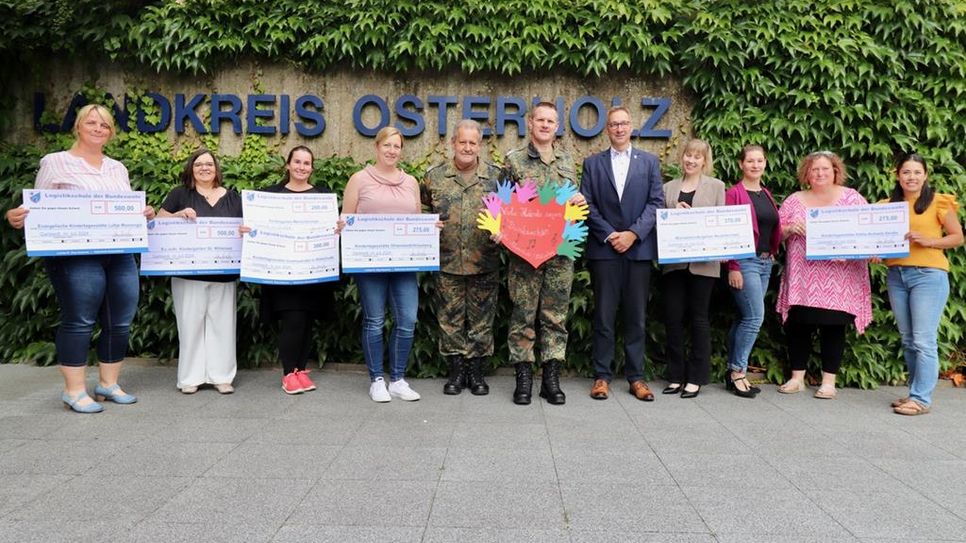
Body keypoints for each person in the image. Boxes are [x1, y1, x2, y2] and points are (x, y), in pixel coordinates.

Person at [4, 104, 155, 413]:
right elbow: (38, 208)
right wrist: (16, 216)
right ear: (78, 127)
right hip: (75, 256)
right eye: (92, 123)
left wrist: (144, 213)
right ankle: (73, 391)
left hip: (120, 252)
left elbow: (123, 206)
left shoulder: (117, 168)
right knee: (80, 319)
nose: (99, 129)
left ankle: (108, 384)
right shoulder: (56, 163)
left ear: (111, 132)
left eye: (105, 125)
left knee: (120, 320)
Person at [579, 106, 664, 402]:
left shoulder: (650, 162)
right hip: (605, 249)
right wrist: (611, 234)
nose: (619, 128)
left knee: (636, 317)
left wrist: (632, 234)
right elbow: (587, 204)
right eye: (614, 124)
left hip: (638, 250)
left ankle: (636, 377)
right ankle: (601, 376)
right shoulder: (593, 163)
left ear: (631, 127)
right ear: (607, 129)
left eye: (624, 123)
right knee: (603, 315)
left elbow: (656, 203)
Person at [776, 151, 872, 399]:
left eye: (825, 169)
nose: (819, 173)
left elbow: (868, 229)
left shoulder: (852, 198)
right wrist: (788, 229)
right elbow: (775, 234)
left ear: (835, 172)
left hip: (839, 278)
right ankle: (797, 378)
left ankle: (829, 382)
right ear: (806, 173)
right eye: (814, 169)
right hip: (803, 277)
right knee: (798, 326)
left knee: (834, 328)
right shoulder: (794, 200)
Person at [503, 101, 581, 405]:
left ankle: (551, 378)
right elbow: (501, 204)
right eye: (540, 120)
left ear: (557, 126)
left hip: (560, 252)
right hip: (525, 254)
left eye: (551, 121)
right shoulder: (514, 161)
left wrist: (579, 204)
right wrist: (500, 230)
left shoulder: (568, 160)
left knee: (555, 316)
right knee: (522, 314)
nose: (545, 125)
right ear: (530, 123)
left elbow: (572, 203)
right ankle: (523, 379)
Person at [342, 127, 423, 403]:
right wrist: (342, 225)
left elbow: (417, 222)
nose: (391, 150)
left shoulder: (411, 182)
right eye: (387, 145)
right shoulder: (359, 179)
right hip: (370, 264)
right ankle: (377, 379)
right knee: (375, 320)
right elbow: (346, 219)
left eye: (397, 146)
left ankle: (398, 379)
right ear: (377, 147)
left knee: (407, 320)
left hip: (403, 265)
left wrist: (429, 229)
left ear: (402, 150)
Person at [421, 120, 501, 396]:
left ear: (480, 145)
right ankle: (456, 371)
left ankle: (476, 372)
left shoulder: (497, 177)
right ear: (453, 143)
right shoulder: (435, 176)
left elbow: (514, 213)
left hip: (484, 261)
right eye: (462, 142)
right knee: (450, 319)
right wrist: (425, 223)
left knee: (482, 320)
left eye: (473, 143)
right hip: (448, 261)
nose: (467, 147)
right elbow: (420, 209)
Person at [250, 145, 337, 395]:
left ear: (312, 168)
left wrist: (337, 229)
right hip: (282, 273)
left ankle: (299, 370)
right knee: (293, 321)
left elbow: (329, 230)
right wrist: (250, 230)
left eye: (306, 163)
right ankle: (288, 373)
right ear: (287, 165)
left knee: (307, 322)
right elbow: (257, 228)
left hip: (312, 272)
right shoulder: (269, 196)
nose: (301, 167)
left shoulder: (322, 197)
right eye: (297, 162)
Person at [883, 153, 962, 415]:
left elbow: (956, 238)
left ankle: (921, 399)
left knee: (923, 339)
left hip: (929, 275)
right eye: (906, 172)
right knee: (908, 339)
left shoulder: (939, 202)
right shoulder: (887, 205)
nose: (911, 177)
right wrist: (873, 251)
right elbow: (878, 243)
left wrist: (929, 241)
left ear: (925, 175)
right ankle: (914, 394)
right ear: (898, 176)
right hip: (897, 276)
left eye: (917, 172)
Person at [158, 149, 240, 394]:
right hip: (188, 275)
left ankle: (222, 377)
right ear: (191, 169)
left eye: (209, 164)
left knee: (223, 326)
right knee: (189, 324)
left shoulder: (234, 198)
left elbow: (246, 227)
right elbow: (158, 225)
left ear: (216, 169)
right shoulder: (179, 194)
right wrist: (178, 215)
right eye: (199, 164)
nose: (205, 168)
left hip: (224, 274)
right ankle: (189, 378)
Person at [660, 139, 725, 399]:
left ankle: (696, 377)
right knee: (672, 319)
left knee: (699, 319)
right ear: (682, 157)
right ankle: (676, 375)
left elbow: (722, 224)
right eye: (688, 155)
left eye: (697, 157)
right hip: (674, 263)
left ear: (704, 160)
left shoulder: (717, 187)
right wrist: (671, 210)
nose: (691, 160)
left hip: (704, 264)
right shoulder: (668, 188)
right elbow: (659, 221)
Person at [724, 145, 780, 398]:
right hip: (745, 262)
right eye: (750, 161)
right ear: (741, 164)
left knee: (743, 317)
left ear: (765, 164)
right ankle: (738, 372)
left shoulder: (766, 193)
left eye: (759, 161)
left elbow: (771, 228)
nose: (755, 165)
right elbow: (728, 232)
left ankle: (731, 371)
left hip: (765, 262)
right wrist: (733, 266)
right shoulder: (734, 193)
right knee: (755, 318)